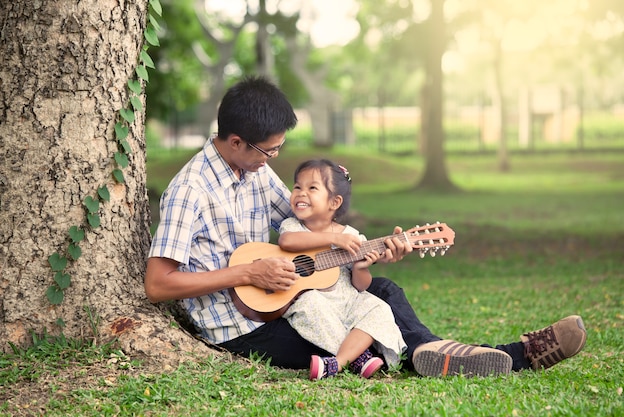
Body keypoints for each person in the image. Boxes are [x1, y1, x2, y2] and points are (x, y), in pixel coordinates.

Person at [144, 76, 587, 378]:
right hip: (246, 325)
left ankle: (440, 353)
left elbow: (312, 224)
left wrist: (366, 247)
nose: (272, 160)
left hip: (298, 292)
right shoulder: (190, 190)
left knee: (386, 292)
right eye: (269, 151)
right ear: (236, 141)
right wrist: (247, 273)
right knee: (364, 343)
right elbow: (158, 285)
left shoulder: (255, 171)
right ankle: (515, 355)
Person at [278, 159, 406, 380]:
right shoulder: (293, 227)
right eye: (297, 186)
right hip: (317, 302)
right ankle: (359, 358)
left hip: (347, 300)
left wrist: (361, 266)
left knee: (378, 307)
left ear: (334, 202)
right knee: (309, 302)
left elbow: (361, 285)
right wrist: (334, 238)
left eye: (312, 188)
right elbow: (287, 242)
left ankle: (336, 363)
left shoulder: (353, 236)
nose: (301, 193)